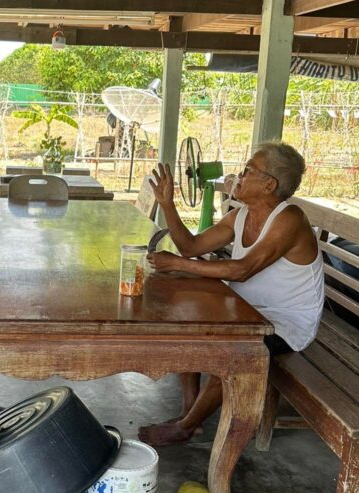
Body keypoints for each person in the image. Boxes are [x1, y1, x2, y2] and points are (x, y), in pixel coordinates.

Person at [139, 140, 324, 447]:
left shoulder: (290, 219)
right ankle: (190, 410)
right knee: (186, 318)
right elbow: (190, 247)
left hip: (285, 323)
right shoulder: (241, 216)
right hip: (246, 310)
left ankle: (185, 427)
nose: (239, 175)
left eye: (248, 170)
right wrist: (168, 205)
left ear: (269, 184)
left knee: (233, 353)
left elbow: (242, 270)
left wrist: (179, 264)